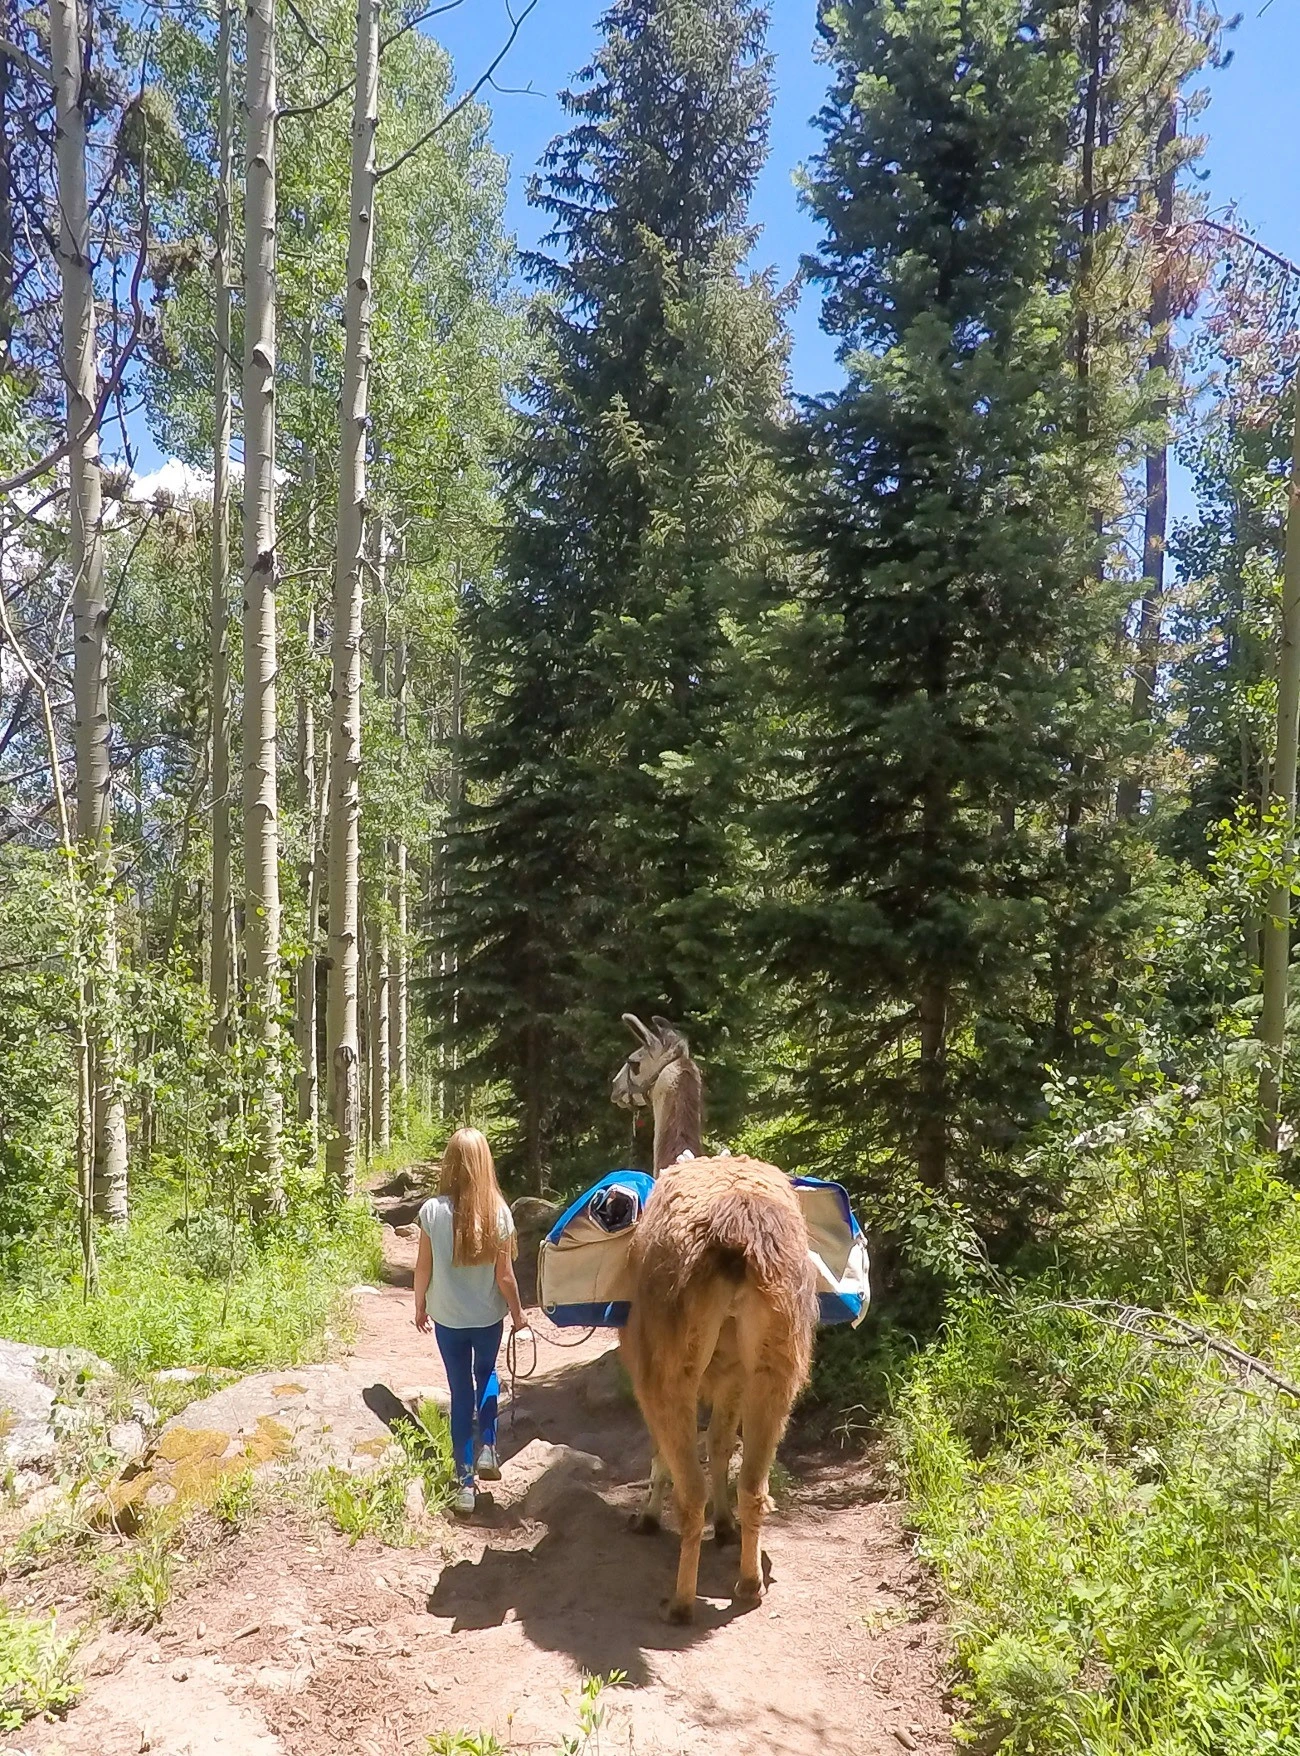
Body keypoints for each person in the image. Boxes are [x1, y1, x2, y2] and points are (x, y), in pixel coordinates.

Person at [413, 1127, 531, 1513]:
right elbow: (505, 1276)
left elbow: (423, 1267)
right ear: (484, 1164)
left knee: (459, 1390)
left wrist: (419, 1306)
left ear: (449, 1162)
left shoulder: (431, 1212)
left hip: (447, 1319)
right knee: (488, 1375)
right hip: (486, 1318)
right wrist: (518, 1313)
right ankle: (489, 1449)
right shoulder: (499, 1212)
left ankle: (464, 1484)